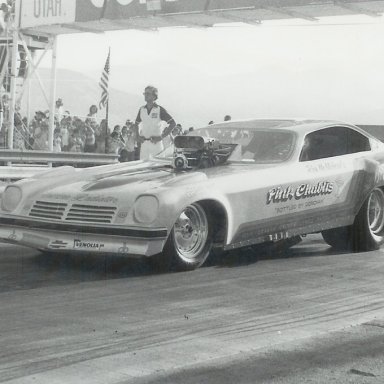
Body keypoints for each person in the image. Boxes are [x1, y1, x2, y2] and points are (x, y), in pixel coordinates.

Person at [134, 85, 176, 160]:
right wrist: (137, 136)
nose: (145, 95)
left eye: (148, 93)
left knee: (157, 167)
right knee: (142, 167)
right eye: (145, 93)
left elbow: (173, 123)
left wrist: (161, 136)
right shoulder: (142, 109)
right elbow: (136, 123)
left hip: (156, 144)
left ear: (154, 96)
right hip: (144, 144)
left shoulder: (159, 109)